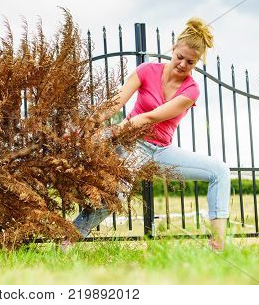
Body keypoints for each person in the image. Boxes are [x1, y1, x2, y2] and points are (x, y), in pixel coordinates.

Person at [69, 17, 230, 251]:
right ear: (173, 49)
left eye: (190, 62)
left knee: (220, 171)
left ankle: (218, 245)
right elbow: (115, 102)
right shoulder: (146, 71)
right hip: (131, 145)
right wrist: (89, 124)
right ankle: (70, 237)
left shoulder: (191, 90)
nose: (183, 64)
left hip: (161, 151)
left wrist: (110, 132)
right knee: (118, 194)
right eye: (180, 57)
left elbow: (151, 117)